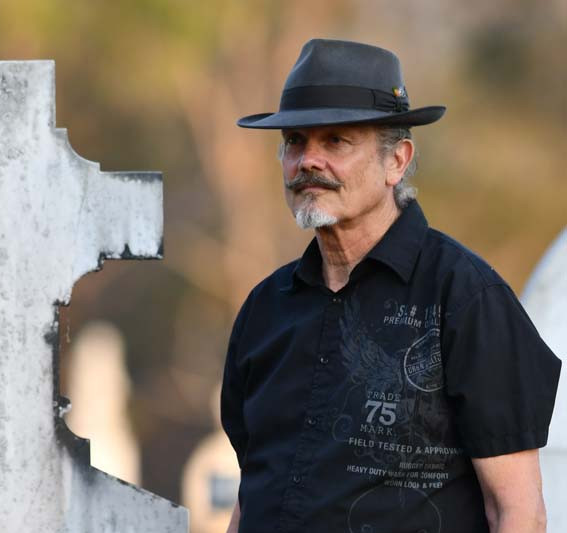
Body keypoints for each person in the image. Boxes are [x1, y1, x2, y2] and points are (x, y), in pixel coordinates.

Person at [221, 38, 561, 533]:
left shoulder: (466, 299)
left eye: (336, 140)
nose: (308, 161)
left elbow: (518, 513)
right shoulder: (265, 309)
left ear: (397, 161)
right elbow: (251, 496)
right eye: (295, 141)